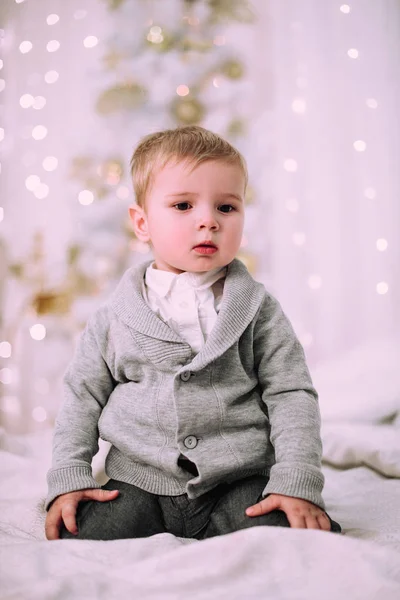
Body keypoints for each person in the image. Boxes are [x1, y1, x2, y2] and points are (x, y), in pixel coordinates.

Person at [45, 125, 341, 541]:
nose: (208, 221)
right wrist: (70, 477)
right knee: (81, 532)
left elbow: (291, 394)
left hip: (236, 478)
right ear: (142, 223)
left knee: (287, 533)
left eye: (226, 207)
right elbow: (83, 397)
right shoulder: (114, 318)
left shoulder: (259, 309)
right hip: (140, 479)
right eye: (183, 205)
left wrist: (295, 478)